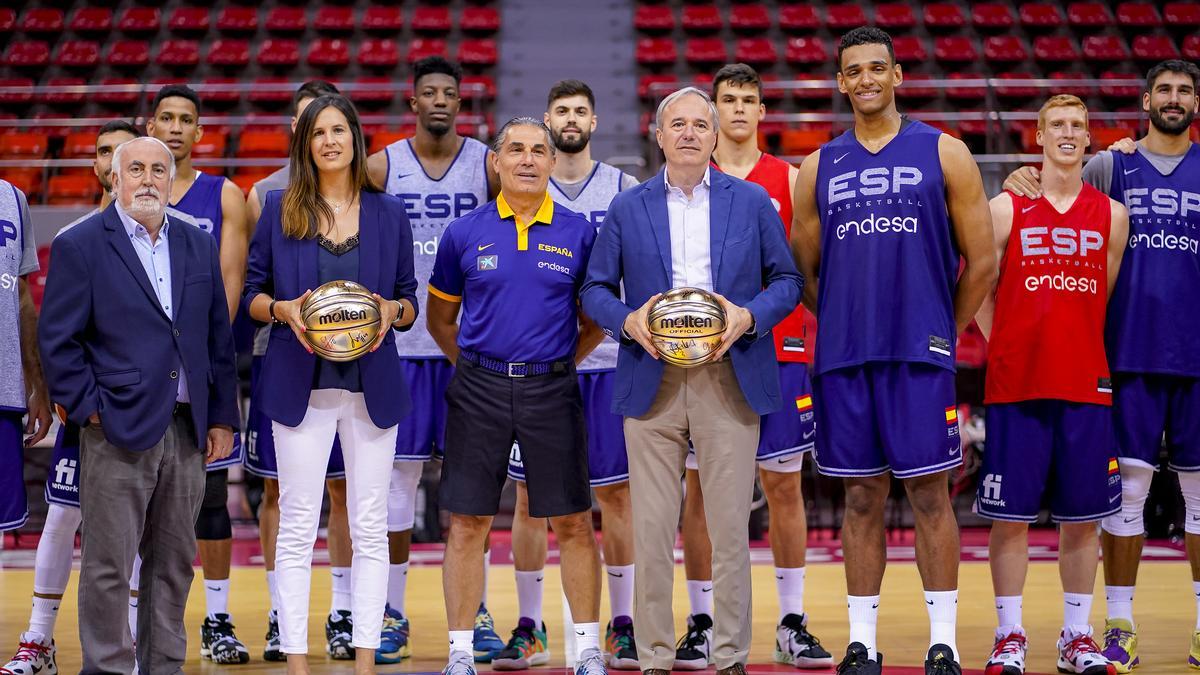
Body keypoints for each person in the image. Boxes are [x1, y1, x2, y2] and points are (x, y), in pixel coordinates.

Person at [791, 27, 996, 675]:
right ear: (843, 82)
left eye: (878, 68)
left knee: (931, 493)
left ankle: (943, 642)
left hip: (920, 356)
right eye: (854, 71)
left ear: (898, 75)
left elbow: (983, 261)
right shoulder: (819, 166)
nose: (867, 79)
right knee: (859, 497)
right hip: (847, 360)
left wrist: (940, 326)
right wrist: (852, 320)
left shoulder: (946, 151)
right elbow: (807, 273)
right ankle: (861, 641)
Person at [581, 86, 803, 675]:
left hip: (729, 373)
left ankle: (730, 657)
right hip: (651, 377)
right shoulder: (629, 207)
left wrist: (748, 315)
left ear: (714, 135)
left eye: (699, 125)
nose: (688, 133)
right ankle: (655, 657)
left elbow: (788, 281)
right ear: (657, 135)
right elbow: (594, 289)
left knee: (730, 528)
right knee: (652, 530)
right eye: (675, 124)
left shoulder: (752, 202)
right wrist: (626, 320)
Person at [1003, 59, 1200, 672]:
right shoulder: (1110, 165)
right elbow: (1054, 186)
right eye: (1163, 89)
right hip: (1129, 352)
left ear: (1197, 101)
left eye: (1185, 90)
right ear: (1145, 99)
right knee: (1128, 493)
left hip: (1196, 355)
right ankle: (1117, 625)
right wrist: (1017, 177)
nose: (1173, 98)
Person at [39, 135, 239, 674]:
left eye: (158, 170)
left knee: (173, 564)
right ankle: (106, 669)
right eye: (136, 169)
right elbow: (58, 341)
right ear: (115, 178)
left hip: (188, 428)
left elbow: (215, 337)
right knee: (108, 564)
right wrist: (90, 409)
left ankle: (162, 667)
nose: (147, 179)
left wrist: (222, 415)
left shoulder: (197, 243)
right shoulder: (80, 243)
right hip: (115, 427)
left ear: (172, 181)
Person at [243, 93, 418, 675]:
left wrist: (393, 312)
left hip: (372, 388)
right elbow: (251, 296)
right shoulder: (278, 209)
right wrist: (283, 309)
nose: (329, 141)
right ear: (304, 142)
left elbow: (410, 300)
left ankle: (364, 660)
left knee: (369, 526)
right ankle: (296, 662)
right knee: (296, 525)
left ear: (355, 138)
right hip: (300, 385)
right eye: (318, 132)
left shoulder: (389, 212)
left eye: (339, 130)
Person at [428, 117, 606, 675]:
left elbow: (594, 319)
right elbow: (440, 320)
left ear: (553, 163)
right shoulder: (464, 232)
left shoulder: (579, 232)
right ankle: (459, 653)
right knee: (467, 522)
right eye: (515, 150)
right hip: (478, 388)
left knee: (573, 520)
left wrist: (556, 365)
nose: (527, 159)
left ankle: (587, 650)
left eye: (538, 150)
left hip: (552, 387)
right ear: (497, 162)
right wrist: (481, 370)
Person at [671, 63, 831, 671]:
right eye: (728, 100)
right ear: (711, 112)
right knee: (700, 492)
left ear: (763, 112)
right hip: (701, 354)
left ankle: (791, 621)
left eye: (748, 100)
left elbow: (805, 273)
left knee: (784, 486)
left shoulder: (790, 181)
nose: (738, 109)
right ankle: (704, 622)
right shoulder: (687, 180)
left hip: (778, 349)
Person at [977, 94, 1129, 675]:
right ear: (1037, 136)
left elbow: (1103, 298)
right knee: (1010, 517)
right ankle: (1010, 634)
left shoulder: (1113, 216)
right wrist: (1008, 343)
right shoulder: (1006, 208)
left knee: (1082, 518)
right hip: (1018, 385)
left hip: (1085, 383)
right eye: (1056, 125)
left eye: (1077, 126)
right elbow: (981, 295)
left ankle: (1076, 635)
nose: (1067, 134)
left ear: (1089, 139)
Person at [365, 55, 504, 663]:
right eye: (430, 92)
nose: (441, 100)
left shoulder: (487, 164)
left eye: (451, 91)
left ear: (460, 101)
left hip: (467, 348)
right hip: (399, 347)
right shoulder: (382, 165)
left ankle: (476, 611)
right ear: (413, 101)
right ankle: (391, 610)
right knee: (399, 481)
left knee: (474, 487)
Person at [499, 79, 641, 672]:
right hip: (539, 368)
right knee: (531, 499)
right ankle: (529, 626)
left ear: (594, 120)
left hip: (608, 364)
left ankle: (623, 624)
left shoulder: (625, 189)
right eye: (562, 110)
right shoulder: (524, 184)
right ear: (549, 123)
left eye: (582, 110)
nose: (572, 118)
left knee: (614, 495)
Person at [2, 120, 138, 675]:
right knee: (61, 516)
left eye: (121, 151)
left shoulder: (176, 235)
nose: (111, 161)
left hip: (149, 409)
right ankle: (39, 640)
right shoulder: (75, 237)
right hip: (90, 408)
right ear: (95, 165)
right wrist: (66, 394)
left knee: (140, 527)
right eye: (102, 151)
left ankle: (127, 641)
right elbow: (57, 329)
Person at [245, 79, 361, 663]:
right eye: (307, 123)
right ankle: (278, 613)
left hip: (355, 364)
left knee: (345, 493)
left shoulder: (365, 196)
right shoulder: (265, 195)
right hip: (282, 356)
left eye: (333, 124)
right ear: (297, 130)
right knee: (280, 492)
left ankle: (343, 613)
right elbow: (250, 289)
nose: (319, 133)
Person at [145, 82, 253, 664]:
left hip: (201, 368)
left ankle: (217, 619)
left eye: (187, 119)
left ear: (199, 132)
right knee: (142, 497)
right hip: (138, 373)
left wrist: (202, 360)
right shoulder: (131, 189)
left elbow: (230, 287)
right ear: (151, 124)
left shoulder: (225, 196)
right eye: (167, 117)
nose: (177, 128)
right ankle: (146, 619)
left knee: (211, 496)